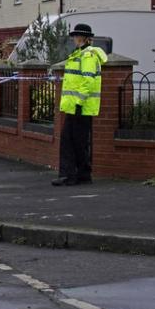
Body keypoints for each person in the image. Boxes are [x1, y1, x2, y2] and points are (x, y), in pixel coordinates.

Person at [52, 23, 108, 186]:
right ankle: (83, 175)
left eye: (77, 36)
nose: (74, 38)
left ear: (84, 38)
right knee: (78, 141)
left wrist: (78, 101)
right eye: (74, 36)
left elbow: (88, 81)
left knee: (70, 141)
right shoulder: (80, 54)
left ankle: (69, 176)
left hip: (80, 106)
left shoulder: (87, 56)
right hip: (79, 106)